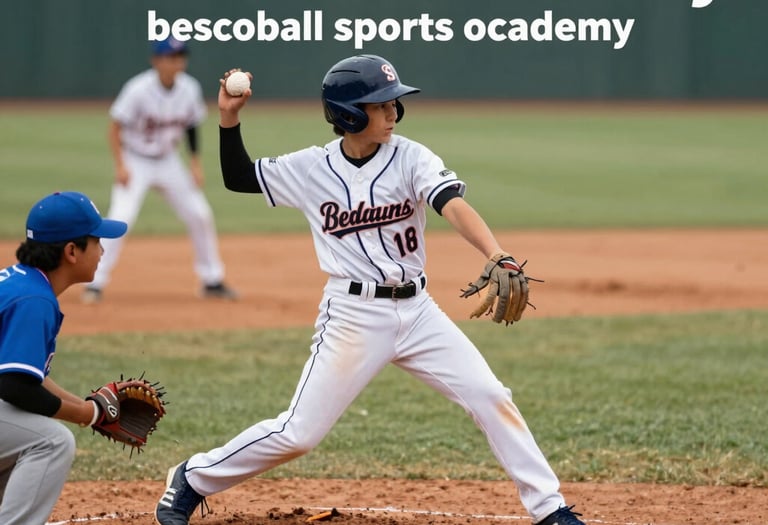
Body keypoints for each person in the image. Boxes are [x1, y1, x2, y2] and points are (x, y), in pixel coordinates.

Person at [154, 55, 587, 525]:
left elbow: (451, 203)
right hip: (353, 316)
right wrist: (229, 117)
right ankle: (193, 478)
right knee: (299, 434)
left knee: (490, 395)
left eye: (394, 104)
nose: (393, 114)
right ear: (349, 114)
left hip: (419, 312)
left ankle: (550, 509)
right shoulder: (311, 168)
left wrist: (496, 252)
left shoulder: (411, 156)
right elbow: (239, 177)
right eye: (381, 106)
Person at [0, 191, 128, 524]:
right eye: (96, 240)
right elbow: (15, 387)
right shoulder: (34, 300)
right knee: (53, 441)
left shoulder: (21, 284)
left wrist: (95, 411)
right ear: (72, 251)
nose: (102, 250)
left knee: (23, 434)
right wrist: (86, 413)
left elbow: (27, 378)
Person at [81, 37, 237, 304]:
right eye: (171, 57)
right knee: (122, 217)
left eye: (180, 57)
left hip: (168, 161)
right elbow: (115, 127)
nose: (177, 62)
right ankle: (95, 282)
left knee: (200, 214)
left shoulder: (189, 88)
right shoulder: (138, 89)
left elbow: (191, 127)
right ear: (157, 60)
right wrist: (121, 164)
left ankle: (212, 280)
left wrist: (195, 163)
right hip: (136, 160)